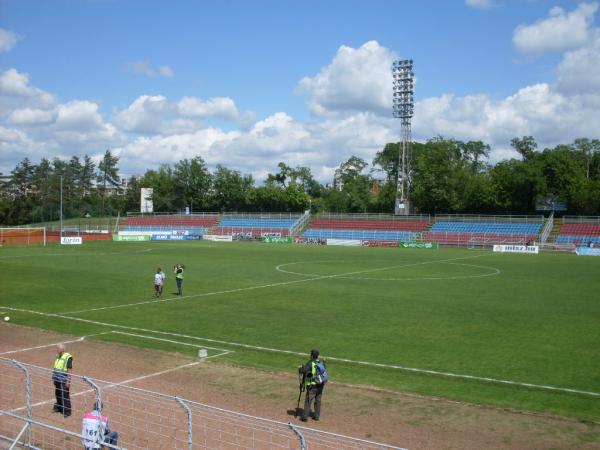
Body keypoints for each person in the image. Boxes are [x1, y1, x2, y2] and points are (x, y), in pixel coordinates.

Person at [298, 349, 326, 422]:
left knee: (308, 401)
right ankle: (317, 416)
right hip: (321, 384)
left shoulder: (311, 363)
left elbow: (303, 371)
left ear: (312, 356)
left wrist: (300, 368)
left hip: (312, 386)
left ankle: (304, 417)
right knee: (318, 401)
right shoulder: (320, 362)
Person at [52, 343, 73, 417]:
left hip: (63, 379)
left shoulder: (68, 357)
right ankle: (59, 408)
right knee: (58, 393)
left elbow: (70, 370)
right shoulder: (58, 356)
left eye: (58, 348)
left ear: (62, 349)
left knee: (64, 394)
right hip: (57, 378)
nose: (56, 350)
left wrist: (68, 381)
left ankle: (67, 411)